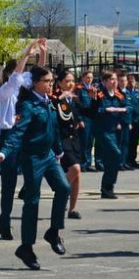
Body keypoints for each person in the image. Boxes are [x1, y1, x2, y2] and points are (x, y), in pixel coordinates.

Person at [0, 66, 70, 271]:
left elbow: (53, 129)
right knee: (32, 201)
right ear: (35, 83)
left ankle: (54, 232)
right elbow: (17, 133)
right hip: (32, 157)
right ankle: (26, 247)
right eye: (47, 81)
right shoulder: (27, 106)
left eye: (51, 81)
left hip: (49, 155)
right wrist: (4, 152)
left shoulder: (48, 102)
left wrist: (59, 151)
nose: (51, 84)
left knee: (63, 188)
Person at [0, 39, 43, 239]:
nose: (23, 75)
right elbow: (16, 78)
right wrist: (26, 55)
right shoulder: (5, 91)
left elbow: (38, 75)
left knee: (36, 170)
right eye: (18, 71)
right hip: (9, 137)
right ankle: (4, 221)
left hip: (25, 135)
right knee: (9, 183)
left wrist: (42, 54)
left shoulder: (26, 89)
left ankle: (26, 189)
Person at [92, 70, 128, 199]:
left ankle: (107, 188)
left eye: (115, 79)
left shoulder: (119, 95)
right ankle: (107, 186)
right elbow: (93, 110)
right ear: (104, 81)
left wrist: (121, 112)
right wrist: (106, 110)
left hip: (113, 131)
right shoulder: (99, 94)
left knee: (111, 160)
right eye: (112, 79)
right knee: (116, 154)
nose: (115, 82)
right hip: (102, 130)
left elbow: (128, 107)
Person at [53, 69, 84, 219]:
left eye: (72, 81)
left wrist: (95, 100)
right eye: (67, 81)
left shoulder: (74, 98)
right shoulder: (55, 98)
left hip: (74, 140)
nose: (71, 84)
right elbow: (53, 113)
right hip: (62, 140)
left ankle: (72, 209)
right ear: (59, 83)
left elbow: (88, 112)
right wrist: (60, 98)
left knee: (77, 175)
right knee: (75, 169)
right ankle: (61, 193)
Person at [77, 71, 97, 171]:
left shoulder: (93, 89)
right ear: (83, 78)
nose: (89, 79)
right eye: (88, 77)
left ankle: (88, 163)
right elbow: (77, 105)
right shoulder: (79, 89)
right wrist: (79, 119)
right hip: (84, 118)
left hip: (91, 119)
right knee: (83, 142)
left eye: (91, 77)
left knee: (90, 142)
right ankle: (82, 163)